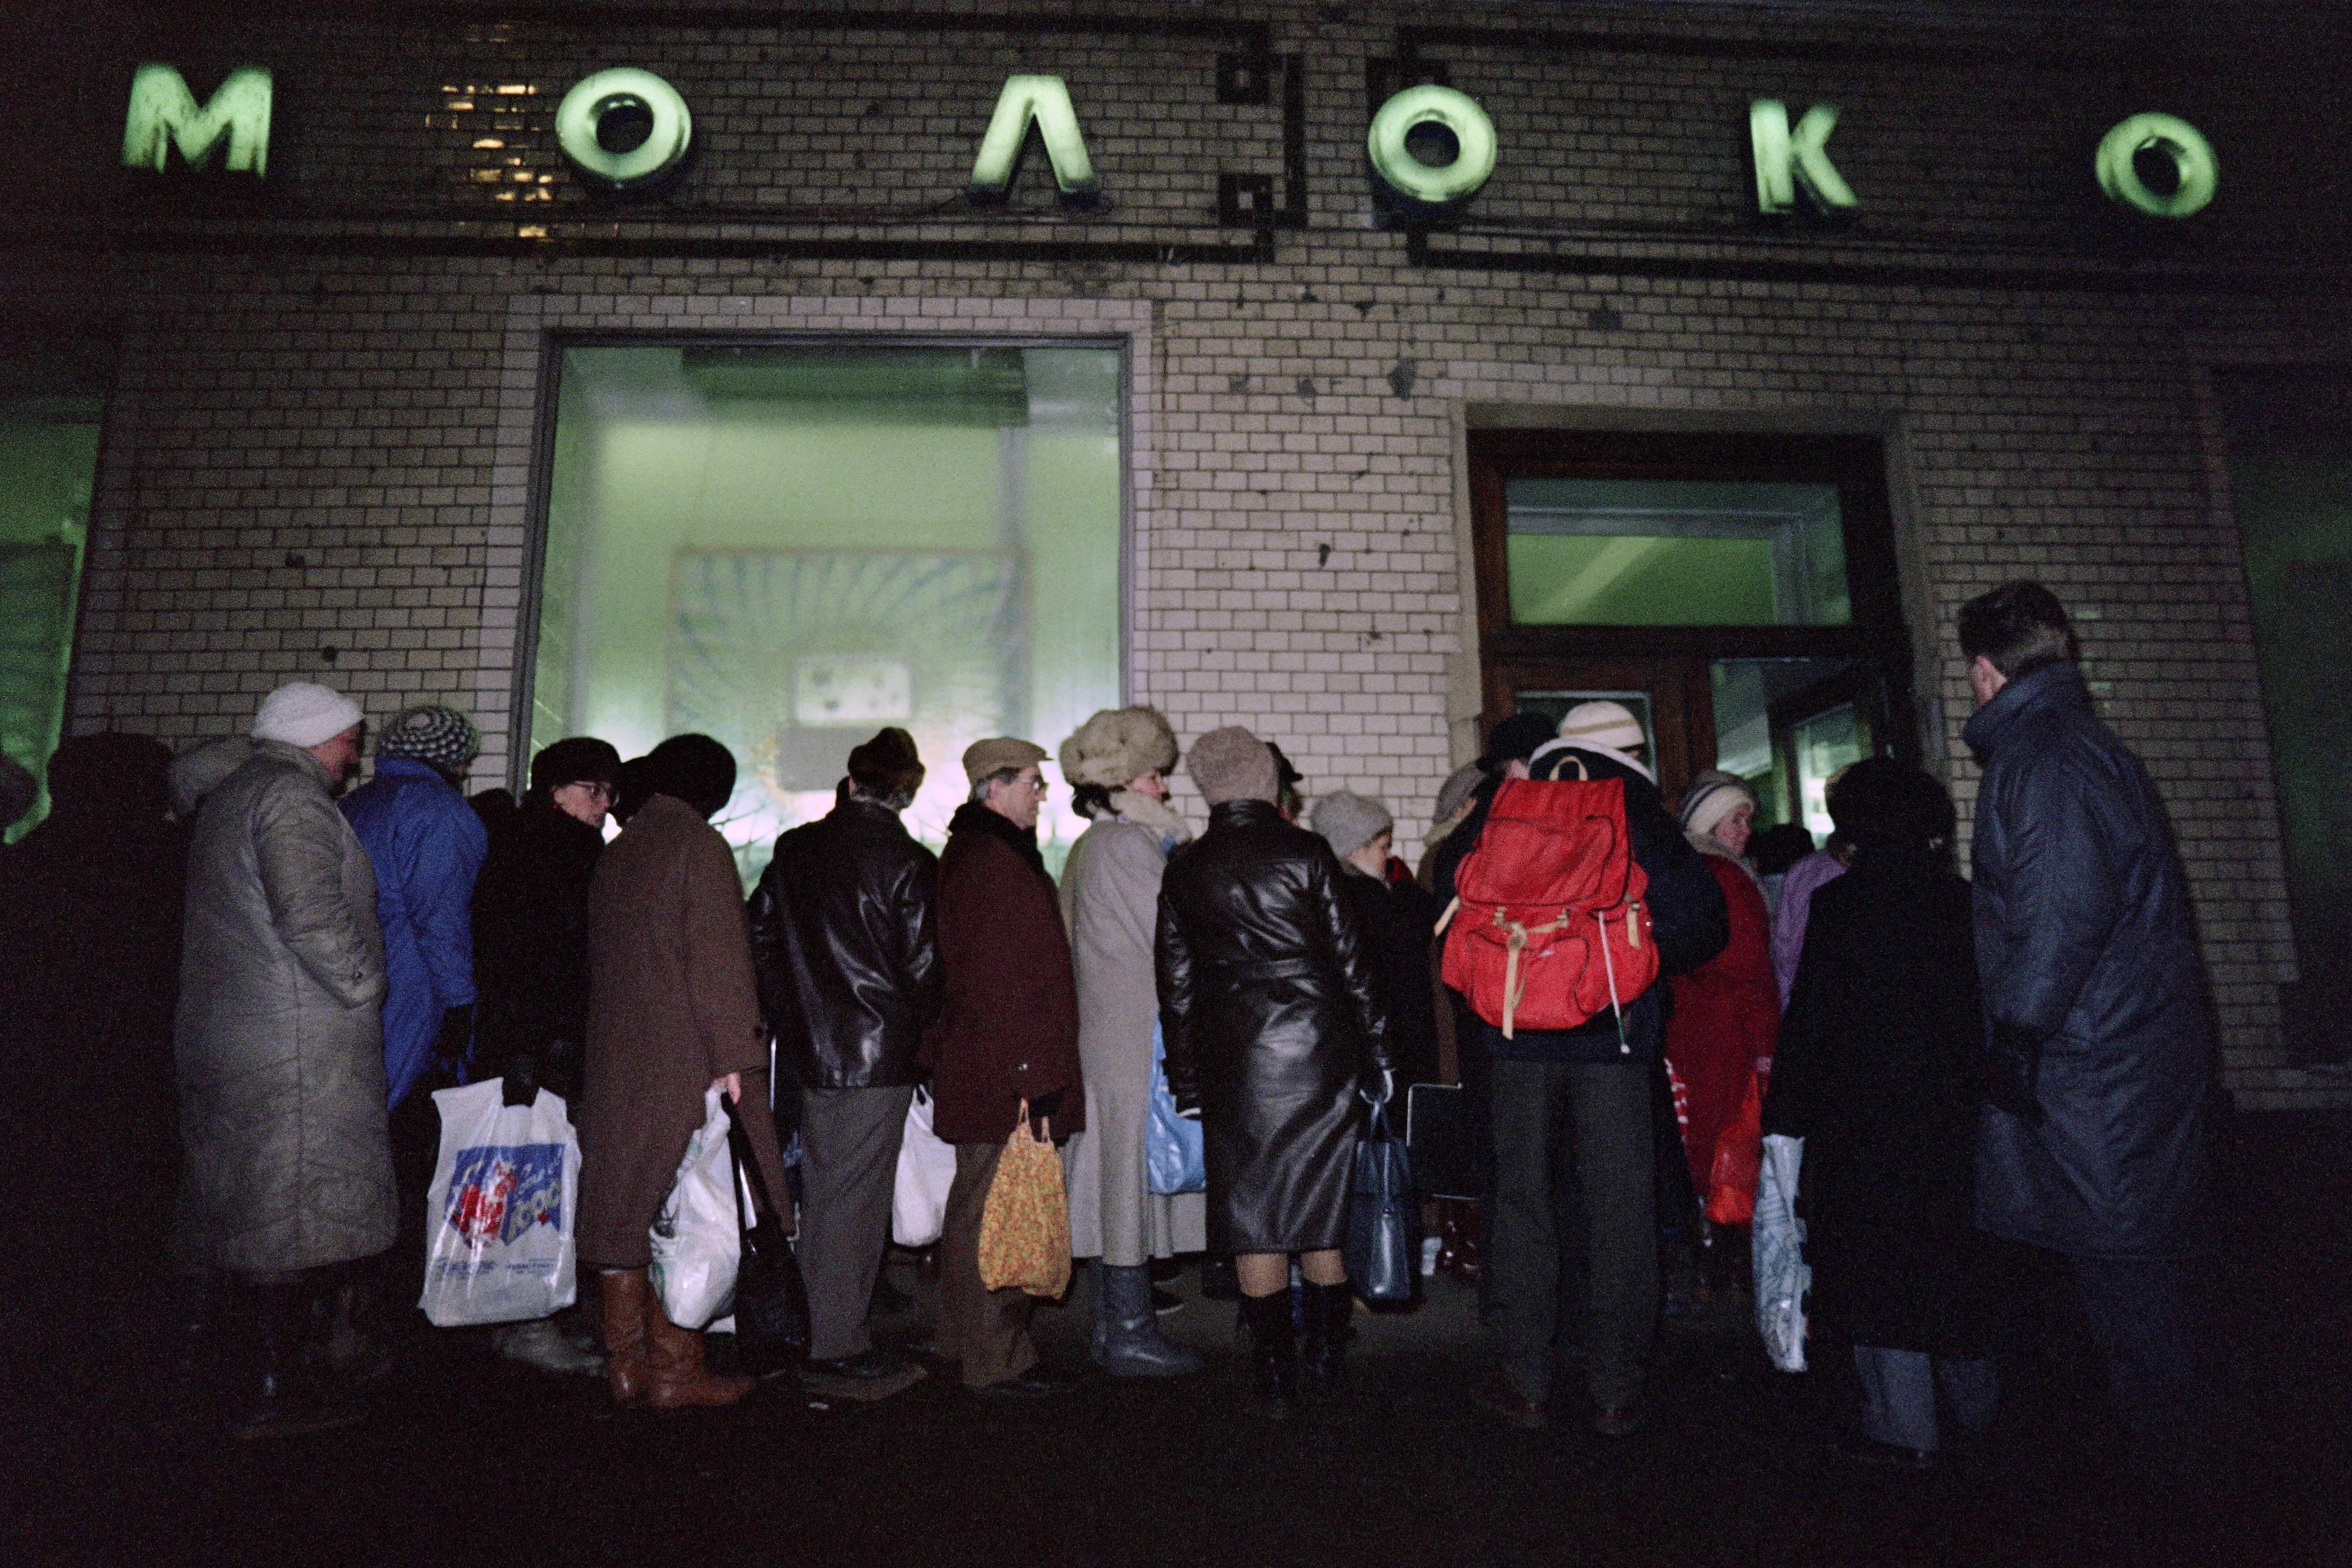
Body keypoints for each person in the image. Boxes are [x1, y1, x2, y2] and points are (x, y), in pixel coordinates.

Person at [1960, 580, 2219, 1488]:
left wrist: (2016, 1038)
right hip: (2113, 1054)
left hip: (2095, 1069)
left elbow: (2059, 915)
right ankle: (2172, 1464)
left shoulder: (2044, 759)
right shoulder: (2075, 746)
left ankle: (2182, 1487)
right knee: (2128, 1272)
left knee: (2129, 1281)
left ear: (1986, 672)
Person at [1438, 700, 1728, 1436]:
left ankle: (1525, 1378)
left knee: (1522, 1201)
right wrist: (1636, 959)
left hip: (1513, 1035)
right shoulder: (1634, 808)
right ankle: (1615, 1386)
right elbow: (1703, 921)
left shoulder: (1508, 800)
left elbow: (1449, 890)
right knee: (1619, 1205)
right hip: (1615, 1038)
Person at [1762, 758, 1999, 1468]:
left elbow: (1810, 1023)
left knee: (1879, 1272)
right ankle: (1981, 1411)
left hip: (1861, 1118)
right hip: (1955, 1113)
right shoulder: (1965, 901)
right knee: (1958, 1263)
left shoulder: (1842, 906)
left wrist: (1786, 1114)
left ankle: (1905, 1424)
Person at [173, 681, 391, 1438]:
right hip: (295, 1039)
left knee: (243, 1209)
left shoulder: (232, 796)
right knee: (287, 1219)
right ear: (312, 734)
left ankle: (210, 1373)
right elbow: (310, 913)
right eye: (346, 738)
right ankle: (272, 1386)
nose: (353, 754)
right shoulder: (290, 799)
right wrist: (367, 984)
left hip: (241, 1032)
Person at [1158, 726, 1392, 1416]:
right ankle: (1325, 1356)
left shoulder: (1187, 867)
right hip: (1318, 1053)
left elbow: (1174, 984)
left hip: (1235, 1061)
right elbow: (1354, 966)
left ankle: (1274, 1375)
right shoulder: (1307, 851)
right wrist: (1380, 1056)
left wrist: (1187, 1078)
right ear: (1268, 781)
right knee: (1320, 1217)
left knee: (1254, 1218)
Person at [575, 733, 787, 1409]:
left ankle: (626, 1364)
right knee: (690, 1209)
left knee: (625, 1208)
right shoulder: (698, 845)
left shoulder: (620, 849)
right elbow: (720, 961)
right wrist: (735, 1059)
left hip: (619, 1055)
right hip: (683, 1055)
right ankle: (674, 1369)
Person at [747, 725, 937, 1401]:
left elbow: (759, 937)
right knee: (854, 1205)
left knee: (825, 1195)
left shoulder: (795, 848)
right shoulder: (909, 860)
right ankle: (836, 1345)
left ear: (851, 781)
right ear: (904, 792)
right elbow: (924, 972)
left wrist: (792, 1010)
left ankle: (822, 1327)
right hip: (877, 1056)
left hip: (810, 1052)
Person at [925, 738, 1086, 1397]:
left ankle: (959, 1340)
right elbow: (998, 980)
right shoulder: (994, 864)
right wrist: (1030, 1073)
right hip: (1004, 1072)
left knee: (974, 1210)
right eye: (1031, 782)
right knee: (1001, 1215)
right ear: (995, 788)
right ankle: (997, 1359)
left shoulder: (981, 856)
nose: (1041, 793)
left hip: (986, 1065)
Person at [466, 735, 624, 1377]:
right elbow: (550, 959)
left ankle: (513, 1319)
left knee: (515, 1179)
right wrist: (542, 1049)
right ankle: (531, 1323)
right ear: (555, 791)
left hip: (515, 1043)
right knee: (540, 1182)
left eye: (610, 795)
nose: (604, 807)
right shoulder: (563, 852)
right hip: (541, 1047)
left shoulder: (511, 842)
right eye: (593, 792)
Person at [1056, 706, 1206, 1377]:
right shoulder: (1130, 849)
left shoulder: (1093, 846)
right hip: (1134, 1042)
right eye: (1154, 777)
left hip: (1106, 1035)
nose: (1165, 791)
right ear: (1123, 781)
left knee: (1114, 1181)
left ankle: (1113, 1328)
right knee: (1124, 1186)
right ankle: (1129, 1334)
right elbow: (1175, 943)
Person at [339, 705, 489, 1113]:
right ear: (455, 760)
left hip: (350, 977)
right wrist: (459, 1002)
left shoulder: (355, 803)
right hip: (413, 981)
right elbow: (441, 918)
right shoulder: (439, 812)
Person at [1666, 770, 1777, 1232]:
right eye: (1734, 820)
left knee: (1694, 1131)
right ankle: (1728, 1241)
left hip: (1686, 1022)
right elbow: (1750, 969)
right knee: (1731, 1136)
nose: (1745, 832)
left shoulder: (1677, 870)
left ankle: (1702, 1234)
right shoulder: (1729, 879)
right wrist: (1767, 1044)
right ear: (1709, 825)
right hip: (1728, 1026)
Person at [1313, 790, 1442, 1093]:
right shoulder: (1370, 897)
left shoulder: (1325, 894)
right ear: (1356, 849)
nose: (1388, 856)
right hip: (1393, 1042)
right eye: (1383, 848)